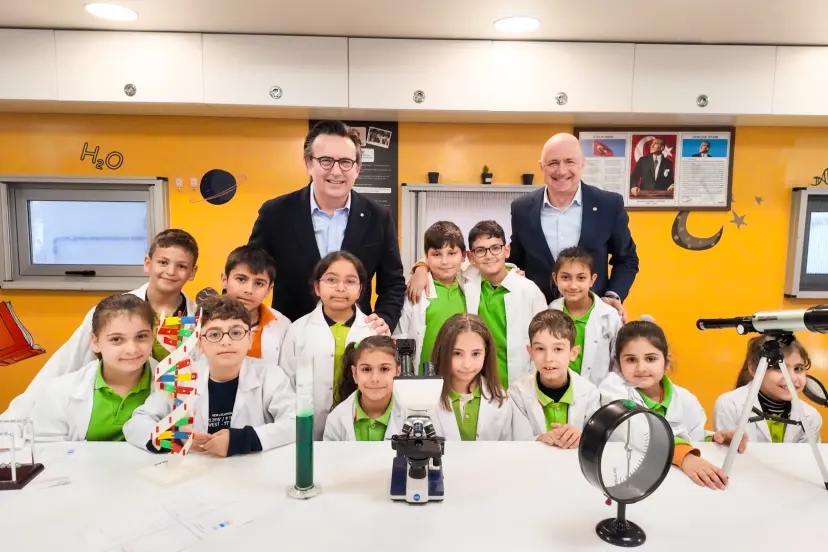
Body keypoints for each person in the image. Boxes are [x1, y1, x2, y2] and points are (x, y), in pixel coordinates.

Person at [2, 229, 199, 420]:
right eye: (163, 262)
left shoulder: (199, 319)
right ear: (147, 263)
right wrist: (16, 418)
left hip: (168, 417)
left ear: (192, 272)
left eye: (181, 266)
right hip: (109, 411)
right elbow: (66, 363)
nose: (170, 271)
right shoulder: (109, 312)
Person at [248, 120, 405, 335]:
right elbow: (251, 271)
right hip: (291, 336)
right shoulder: (275, 214)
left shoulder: (378, 217)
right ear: (308, 164)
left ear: (357, 168)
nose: (336, 171)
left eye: (346, 162)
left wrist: (385, 317)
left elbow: (393, 283)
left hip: (356, 338)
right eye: (326, 161)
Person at [124, 296, 296, 457]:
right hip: (196, 469)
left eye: (236, 333)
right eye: (214, 334)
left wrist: (241, 440)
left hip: (252, 468)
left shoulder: (271, 376)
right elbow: (136, 423)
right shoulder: (180, 377)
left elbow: (295, 422)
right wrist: (175, 439)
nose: (226, 342)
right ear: (198, 343)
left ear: (250, 339)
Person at [599, 320, 746, 490]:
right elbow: (635, 430)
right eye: (631, 359)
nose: (641, 368)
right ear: (618, 363)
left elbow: (693, 437)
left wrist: (714, 439)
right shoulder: (612, 389)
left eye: (650, 359)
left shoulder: (686, 399)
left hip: (678, 485)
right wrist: (685, 457)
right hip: (629, 479)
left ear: (666, 361)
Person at [507, 133, 639, 319]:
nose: (561, 171)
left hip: (592, 316)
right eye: (553, 163)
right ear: (541, 167)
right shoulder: (522, 208)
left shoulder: (608, 205)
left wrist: (612, 295)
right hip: (538, 317)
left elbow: (626, 259)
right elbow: (516, 262)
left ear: (582, 164)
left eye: (569, 161)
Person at [279, 251, 383, 440]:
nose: (340, 288)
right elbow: (285, 384)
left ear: (360, 290)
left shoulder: (373, 331)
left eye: (350, 281)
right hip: (306, 427)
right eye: (331, 280)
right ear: (317, 287)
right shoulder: (297, 330)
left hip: (358, 427)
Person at [29, 295, 156, 442]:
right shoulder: (60, 392)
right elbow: (45, 449)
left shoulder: (174, 384)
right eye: (116, 339)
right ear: (95, 342)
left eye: (141, 336)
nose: (132, 349)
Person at [462, 221, 547, 389]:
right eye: (480, 250)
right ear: (471, 257)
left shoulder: (529, 291)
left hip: (521, 381)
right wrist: (419, 268)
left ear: (506, 250)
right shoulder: (466, 282)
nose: (489, 256)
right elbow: (442, 262)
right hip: (479, 380)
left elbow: (544, 339)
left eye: (495, 248)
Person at [428, 313, 533, 441]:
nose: (467, 364)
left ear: (486, 353)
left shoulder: (501, 400)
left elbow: (508, 448)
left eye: (475, 354)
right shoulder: (424, 399)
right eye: (457, 353)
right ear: (442, 352)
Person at [509, 310, 601, 447]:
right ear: (530, 352)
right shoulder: (517, 393)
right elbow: (515, 442)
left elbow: (597, 441)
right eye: (540, 349)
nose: (548, 358)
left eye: (558, 349)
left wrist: (581, 438)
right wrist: (540, 439)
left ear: (573, 353)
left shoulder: (589, 393)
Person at [713, 335, 822, 443]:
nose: (792, 378)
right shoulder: (730, 405)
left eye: (798, 369)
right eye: (779, 367)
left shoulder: (811, 417)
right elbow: (727, 452)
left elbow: (808, 454)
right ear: (754, 369)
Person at [394, 221, 467, 373]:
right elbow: (400, 337)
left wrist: (420, 267)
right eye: (436, 254)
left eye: (451, 253)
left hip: (463, 372)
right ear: (426, 257)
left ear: (463, 256)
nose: (445, 261)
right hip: (422, 375)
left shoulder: (470, 285)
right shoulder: (415, 290)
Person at [548, 246, 622, 386]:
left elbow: (618, 364)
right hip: (559, 392)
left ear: (592, 280)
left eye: (581, 278)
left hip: (600, 393)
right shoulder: (550, 311)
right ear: (555, 278)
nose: (573, 286)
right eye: (565, 277)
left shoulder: (610, 317)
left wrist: (610, 393)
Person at [323, 335, 405, 441]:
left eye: (384, 369)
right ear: (355, 374)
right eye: (366, 369)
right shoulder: (336, 419)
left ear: (398, 372)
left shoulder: (412, 415)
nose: (375, 379)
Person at [220, 245, 291, 363]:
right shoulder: (200, 322)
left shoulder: (283, 325)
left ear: (269, 289)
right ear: (224, 280)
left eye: (259, 283)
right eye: (241, 279)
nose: (249, 290)